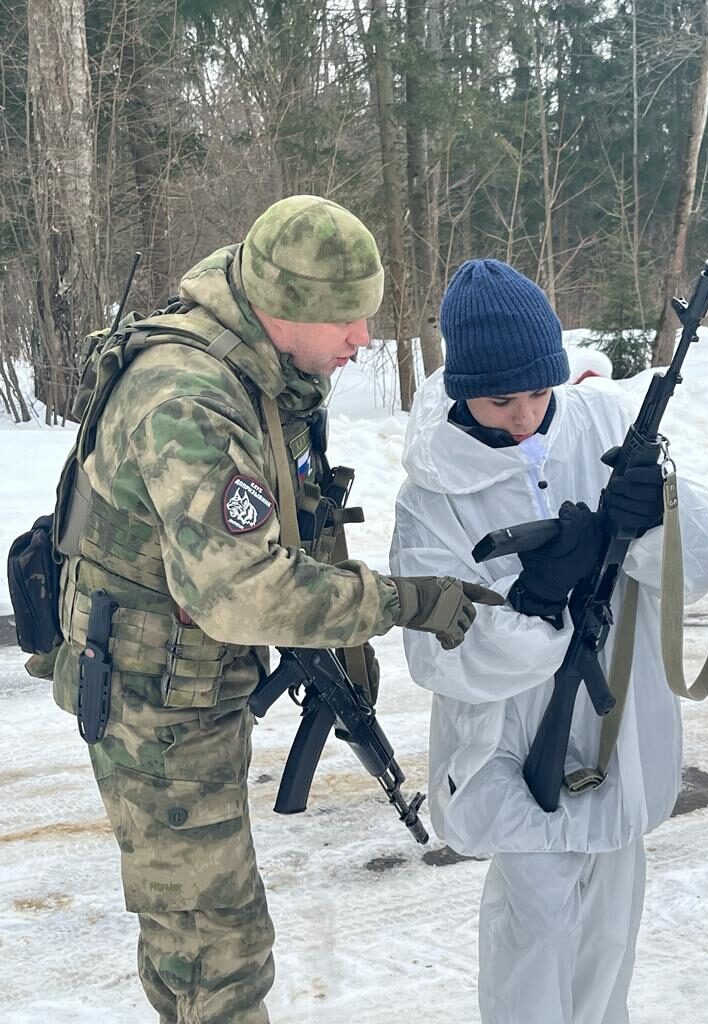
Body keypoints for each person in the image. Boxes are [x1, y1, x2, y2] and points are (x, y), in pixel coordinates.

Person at [49, 196, 502, 1024]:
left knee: (203, 945)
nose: (362, 340)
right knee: (214, 958)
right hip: (153, 709)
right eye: (347, 320)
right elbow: (244, 591)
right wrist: (406, 603)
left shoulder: (266, 370)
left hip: (192, 683)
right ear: (281, 309)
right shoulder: (186, 401)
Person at [389, 259, 708, 1024]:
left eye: (538, 393)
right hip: (513, 754)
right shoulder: (432, 493)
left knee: (608, 943)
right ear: (461, 390)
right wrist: (539, 601)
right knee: (535, 942)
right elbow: (432, 652)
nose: (522, 415)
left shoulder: (607, 421)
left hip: (621, 741)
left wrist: (653, 521)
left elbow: (707, 557)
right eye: (500, 398)